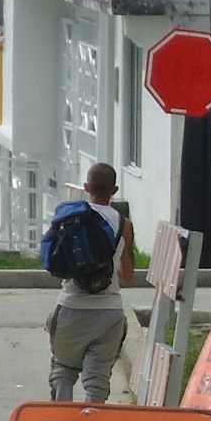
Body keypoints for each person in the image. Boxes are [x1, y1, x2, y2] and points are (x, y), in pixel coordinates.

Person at [45, 161, 136, 403]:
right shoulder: (123, 224)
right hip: (109, 313)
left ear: (86, 187)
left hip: (70, 308)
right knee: (97, 379)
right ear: (114, 191)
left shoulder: (70, 218)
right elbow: (127, 275)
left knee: (63, 369)